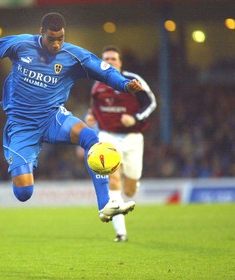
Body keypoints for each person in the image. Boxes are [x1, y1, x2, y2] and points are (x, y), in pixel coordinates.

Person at [0, 13, 143, 222]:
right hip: (22, 125)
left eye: (61, 38)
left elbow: (103, 70)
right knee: (23, 193)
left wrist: (124, 84)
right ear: (41, 33)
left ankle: (106, 204)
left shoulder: (73, 55)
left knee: (91, 138)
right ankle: (23, 163)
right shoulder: (20, 45)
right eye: (52, 39)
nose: (57, 44)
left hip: (53, 118)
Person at [84, 45, 156, 240]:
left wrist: (135, 118)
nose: (109, 62)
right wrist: (90, 118)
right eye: (105, 59)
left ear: (120, 62)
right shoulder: (98, 85)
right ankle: (121, 233)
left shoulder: (133, 81)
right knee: (112, 179)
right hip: (108, 137)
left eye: (113, 59)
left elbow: (151, 102)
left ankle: (131, 182)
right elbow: (93, 109)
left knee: (129, 190)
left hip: (132, 137)